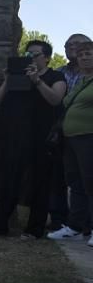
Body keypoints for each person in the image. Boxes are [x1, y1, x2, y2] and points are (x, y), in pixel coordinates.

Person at [0, 39, 67, 238]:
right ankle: (0, 225)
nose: (29, 57)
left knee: (40, 182)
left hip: (42, 139)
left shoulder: (56, 76)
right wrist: (8, 79)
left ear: (46, 58)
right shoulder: (18, 77)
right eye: (27, 54)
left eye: (34, 54)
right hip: (16, 138)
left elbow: (56, 99)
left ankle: (34, 229)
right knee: (10, 179)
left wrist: (37, 81)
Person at [48, 40, 93, 245]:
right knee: (76, 183)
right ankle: (75, 226)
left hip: (88, 136)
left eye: (89, 54)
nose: (84, 57)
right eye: (82, 54)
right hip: (71, 139)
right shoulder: (82, 81)